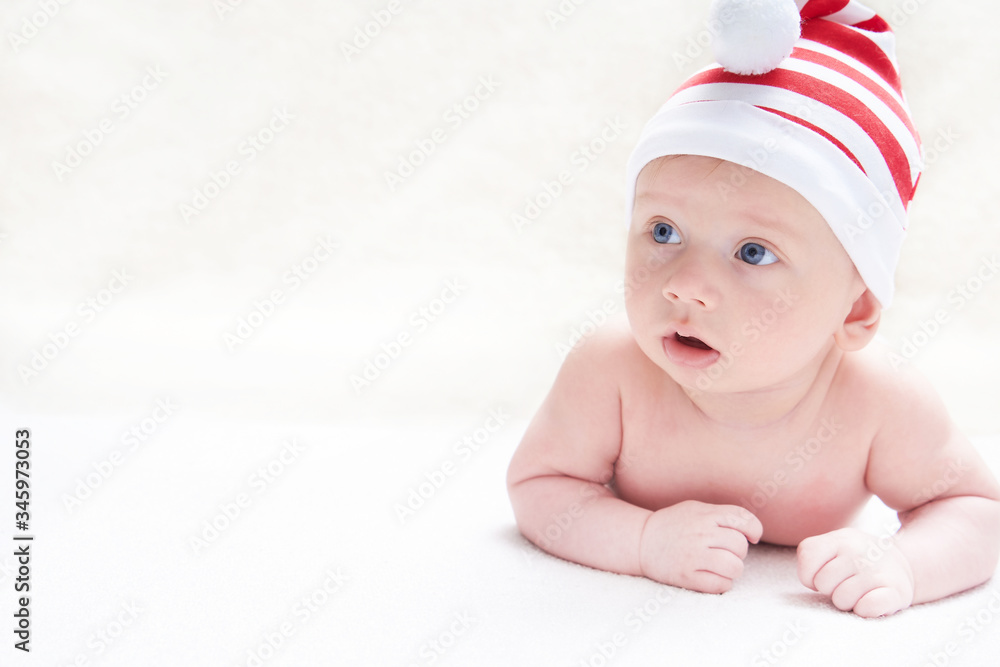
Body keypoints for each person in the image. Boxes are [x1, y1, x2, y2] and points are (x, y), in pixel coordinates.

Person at [506, 0, 1000, 618]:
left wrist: (902, 562)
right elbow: (540, 487)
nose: (686, 286)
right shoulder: (611, 373)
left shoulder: (878, 402)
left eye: (753, 252)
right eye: (663, 232)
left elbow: (975, 511)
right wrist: (641, 540)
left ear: (856, 311)